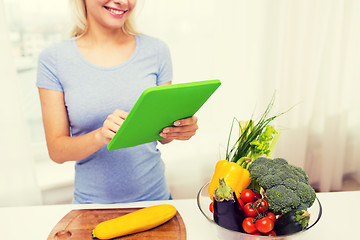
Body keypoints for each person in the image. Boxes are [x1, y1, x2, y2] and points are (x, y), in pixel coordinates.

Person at [36, 0, 198, 204]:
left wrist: (179, 128)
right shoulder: (54, 59)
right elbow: (56, 151)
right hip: (91, 208)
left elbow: (162, 135)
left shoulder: (156, 51)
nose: (123, 1)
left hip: (156, 202)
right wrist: (100, 136)